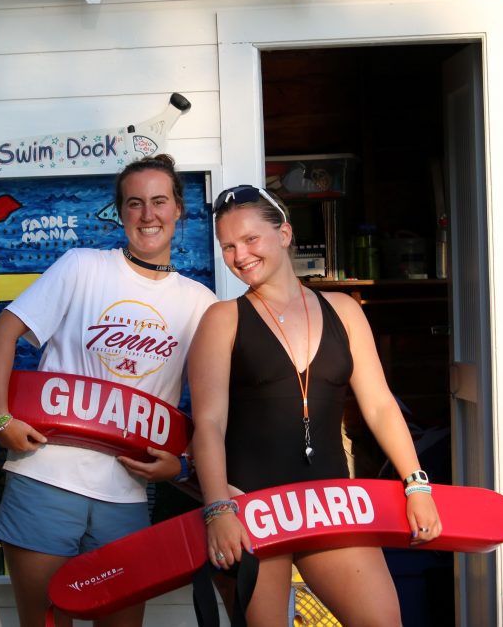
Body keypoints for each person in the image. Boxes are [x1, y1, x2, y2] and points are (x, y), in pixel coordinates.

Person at [0, 154, 217, 627]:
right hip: (45, 477)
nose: (148, 215)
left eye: (159, 201)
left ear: (179, 210)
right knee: (44, 622)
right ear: (120, 212)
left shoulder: (201, 303)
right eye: (134, 203)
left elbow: (216, 408)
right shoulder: (81, 266)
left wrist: (182, 466)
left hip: (126, 495)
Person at [189, 184, 442, 626]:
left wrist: (415, 484)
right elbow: (207, 423)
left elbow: (380, 405)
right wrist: (218, 510)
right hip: (252, 509)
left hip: (330, 504)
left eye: (250, 239)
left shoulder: (343, 310)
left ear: (284, 233)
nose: (239, 255)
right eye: (228, 246)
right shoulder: (222, 319)